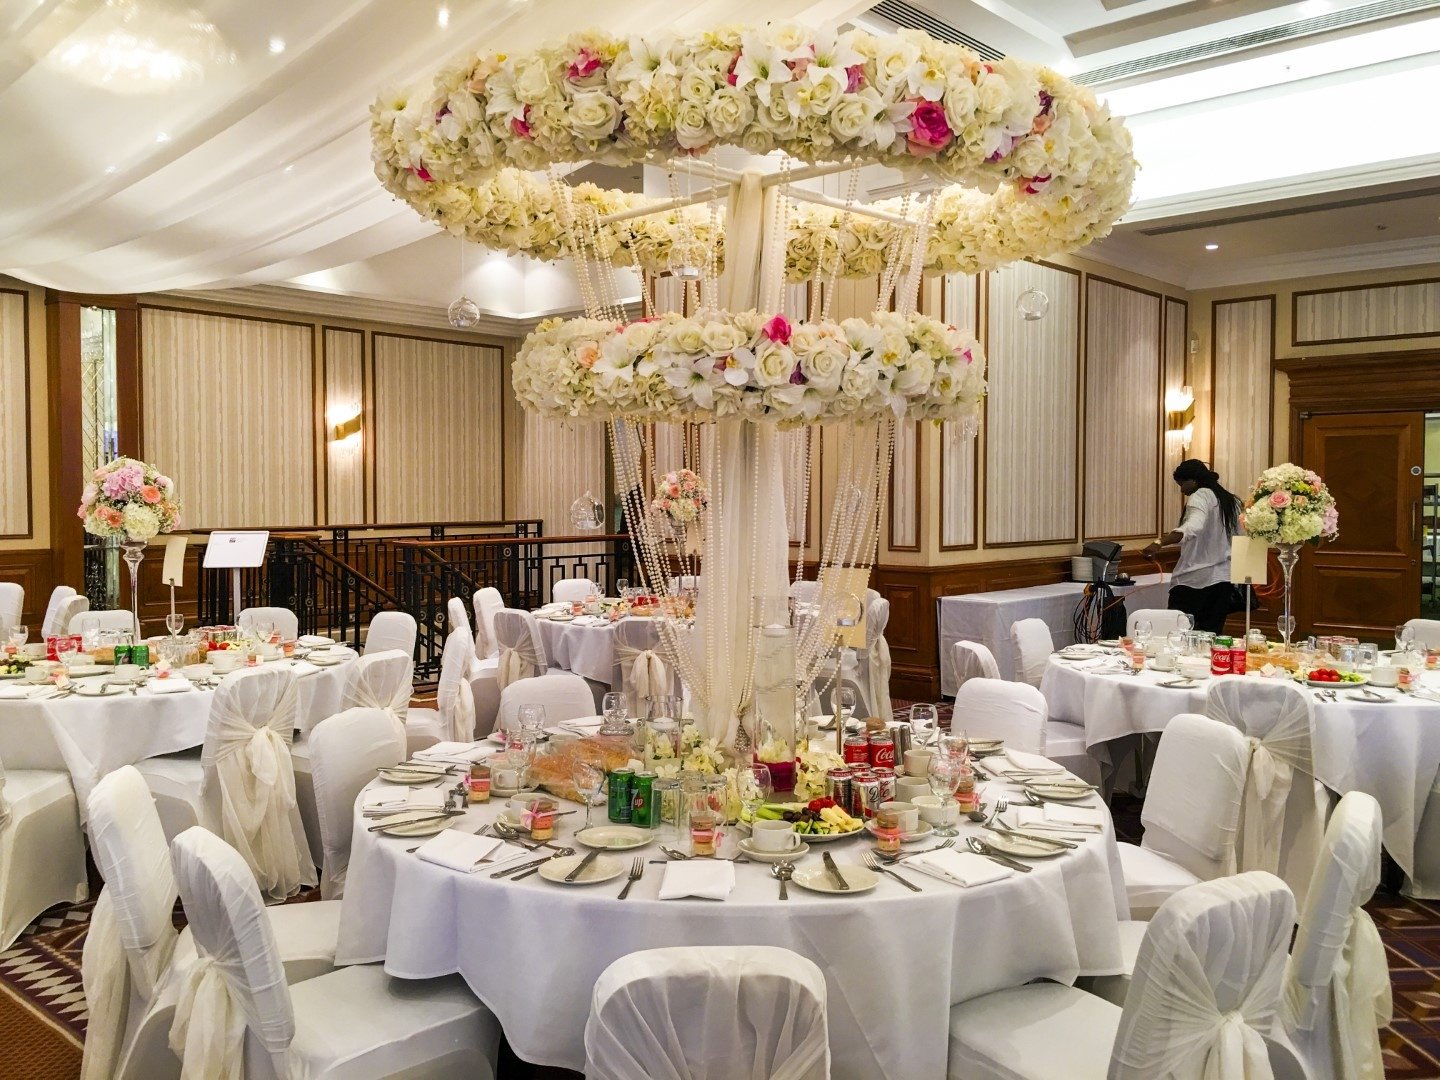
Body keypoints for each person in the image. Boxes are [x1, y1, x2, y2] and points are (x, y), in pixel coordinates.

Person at [1143, 459, 1242, 634]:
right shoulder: (1232, 501)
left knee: (1180, 635)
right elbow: (1240, 538)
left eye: (1182, 484)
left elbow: (1193, 527)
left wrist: (1158, 543)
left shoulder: (1201, 495)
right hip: (1224, 580)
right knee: (1212, 636)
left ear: (1194, 481)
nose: (1181, 490)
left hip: (1194, 581)